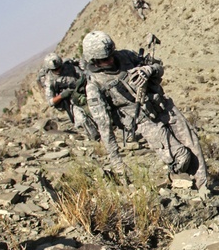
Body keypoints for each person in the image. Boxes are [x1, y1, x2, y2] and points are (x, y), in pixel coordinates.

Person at [81, 30, 207, 190]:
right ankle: (175, 179)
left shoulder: (126, 56)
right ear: (94, 61)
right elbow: (104, 126)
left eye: (111, 54)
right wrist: (116, 161)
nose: (112, 60)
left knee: (195, 147)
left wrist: (149, 70)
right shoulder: (94, 85)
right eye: (106, 59)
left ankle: (204, 190)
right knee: (181, 156)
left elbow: (158, 67)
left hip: (163, 107)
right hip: (143, 121)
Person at [40, 52, 99, 141]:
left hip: (83, 92)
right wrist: (62, 95)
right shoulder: (49, 80)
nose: (58, 70)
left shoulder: (70, 67)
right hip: (71, 101)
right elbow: (50, 101)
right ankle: (95, 137)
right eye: (55, 70)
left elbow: (83, 75)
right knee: (82, 119)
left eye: (59, 67)